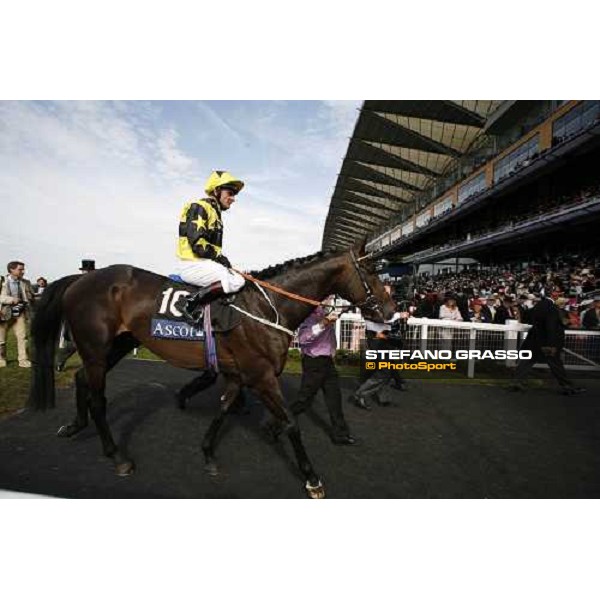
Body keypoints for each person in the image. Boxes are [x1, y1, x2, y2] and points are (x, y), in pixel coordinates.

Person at [176, 171, 246, 321]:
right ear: (216, 191)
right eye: (230, 193)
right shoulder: (199, 207)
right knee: (237, 281)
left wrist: (223, 261)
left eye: (234, 195)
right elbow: (198, 244)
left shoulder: (215, 213)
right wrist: (220, 259)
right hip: (192, 264)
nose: (233, 199)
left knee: (238, 277)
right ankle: (190, 303)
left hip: (204, 263)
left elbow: (212, 250)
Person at [289, 298, 356, 445]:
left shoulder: (327, 311)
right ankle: (276, 424)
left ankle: (340, 434)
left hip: (327, 363)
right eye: (327, 297)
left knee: (335, 400)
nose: (330, 299)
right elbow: (302, 338)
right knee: (303, 401)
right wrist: (324, 323)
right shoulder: (309, 316)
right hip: (313, 363)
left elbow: (347, 304)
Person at [511, 296, 585, 395]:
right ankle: (567, 386)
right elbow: (551, 327)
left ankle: (516, 382)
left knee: (526, 363)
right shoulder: (552, 310)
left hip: (534, 341)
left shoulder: (534, 310)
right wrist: (552, 344)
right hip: (547, 343)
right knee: (556, 365)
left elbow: (526, 319)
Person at [55, 260, 95, 372]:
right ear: (82, 271)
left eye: (90, 271)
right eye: (86, 271)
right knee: (75, 343)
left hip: (92, 317)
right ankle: (60, 360)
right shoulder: (73, 283)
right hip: (75, 317)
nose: (87, 273)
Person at [0, 261, 35, 368]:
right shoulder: (2, 282)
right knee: (1, 339)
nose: (23, 271)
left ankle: (23, 360)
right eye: (20, 269)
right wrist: (11, 299)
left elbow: (31, 297)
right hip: (3, 314)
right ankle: (1, 360)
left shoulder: (26, 282)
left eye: (23, 269)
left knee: (23, 338)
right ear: (12, 270)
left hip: (20, 314)